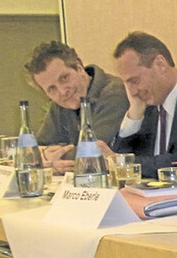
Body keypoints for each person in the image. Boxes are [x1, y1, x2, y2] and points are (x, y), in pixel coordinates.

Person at [24, 41, 129, 175]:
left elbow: (92, 152)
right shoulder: (60, 104)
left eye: (64, 78)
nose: (62, 91)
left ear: (79, 67)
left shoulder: (114, 92)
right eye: (51, 89)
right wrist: (46, 157)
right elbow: (32, 151)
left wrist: (48, 158)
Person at [103, 31, 177, 178]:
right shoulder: (147, 106)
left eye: (135, 80)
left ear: (160, 64)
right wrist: (135, 113)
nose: (132, 91)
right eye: (127, 83)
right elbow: (121, 163)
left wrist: (122, 163)